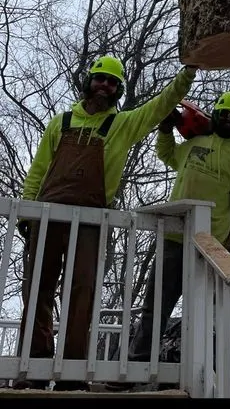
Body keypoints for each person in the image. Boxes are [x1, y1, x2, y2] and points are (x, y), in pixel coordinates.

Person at [15, 55, 198, 391]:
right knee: (36, 291)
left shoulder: (123, 125)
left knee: (82, 294)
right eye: (100, 78)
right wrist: (28, 214)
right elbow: (38, 170)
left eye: (112, 82)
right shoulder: (61, 122)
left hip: (91, 221)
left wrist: (189, 71)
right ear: (89, 81)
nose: (105, 85)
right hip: (47, 216)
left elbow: (162, 104)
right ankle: (34, 369)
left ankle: (71, 374)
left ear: (118, 90)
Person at [105, 90, 230, 391]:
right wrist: (164, 130)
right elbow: (167, 155)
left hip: (212, 243)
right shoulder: (195, 143)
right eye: (224, 113)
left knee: (209, 313)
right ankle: (136, 368)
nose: (228, 119)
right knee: (155, 307)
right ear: (215, 115)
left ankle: (219, 374)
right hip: (175, 235)